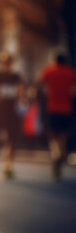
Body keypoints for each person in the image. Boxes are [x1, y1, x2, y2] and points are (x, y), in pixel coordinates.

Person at [39, 53, 76, 181]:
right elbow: (73, 90)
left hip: (52, 108)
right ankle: (60, 155)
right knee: (63, 135)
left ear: (54, 61)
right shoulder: (70, 73)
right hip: (66, 109)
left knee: (53, 135)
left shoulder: (49, 71)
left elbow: (39, 85)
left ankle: (56, 155)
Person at [0, 52, 24, 179]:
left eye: (9, 63)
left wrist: (21, 98)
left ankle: (8, 165)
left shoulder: (16, 76)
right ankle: (3, 156)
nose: (7, 65)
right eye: (5, 63)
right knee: (1, 136)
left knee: (11, 138)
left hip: (11, 111)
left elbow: (21, 90)